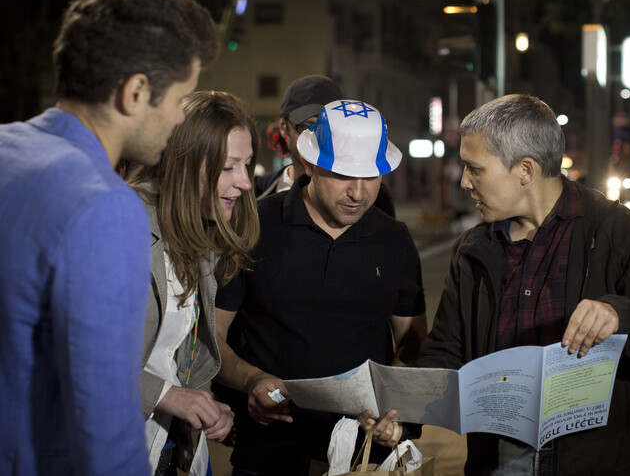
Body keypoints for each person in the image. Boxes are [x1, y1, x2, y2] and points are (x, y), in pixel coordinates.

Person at [415, 95, 630, 475]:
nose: (464, 181)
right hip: (503, 458)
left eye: (475, 169)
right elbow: (445, 352)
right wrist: (402, 413)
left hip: (602, 461)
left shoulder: (612, 230)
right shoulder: (473, 250)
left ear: (525, 169)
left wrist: (623, 315)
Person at [0, 0, 218, 475]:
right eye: (177, 100)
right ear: (135, 91)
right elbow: (105, 424)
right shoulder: (105, 206)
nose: (180, 120)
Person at [213, 99, 428, 475]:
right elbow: (211, 333)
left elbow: (413, 343)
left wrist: (395, 412)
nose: (358, 193)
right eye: (343, 176)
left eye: (372, 177)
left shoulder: (395, 240)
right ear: (310, 163)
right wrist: (250, 380)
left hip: (362, 458)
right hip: (268, 456)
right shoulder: (254, 226)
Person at [126, 91, 260, 475]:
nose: (246, 182)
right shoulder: (123, 224)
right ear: (184, 164)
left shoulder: (201, 234)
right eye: (229, 167)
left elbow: (173, 356)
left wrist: (203, 400)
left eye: (247, 164)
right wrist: (168, 396)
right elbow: (76, 355)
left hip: (169, 450)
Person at [256, 75, 396, 217]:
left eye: (331, 128)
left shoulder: (377, 198)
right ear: (284, 127)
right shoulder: (258, 191)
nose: (318, 136)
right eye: (309, 125)